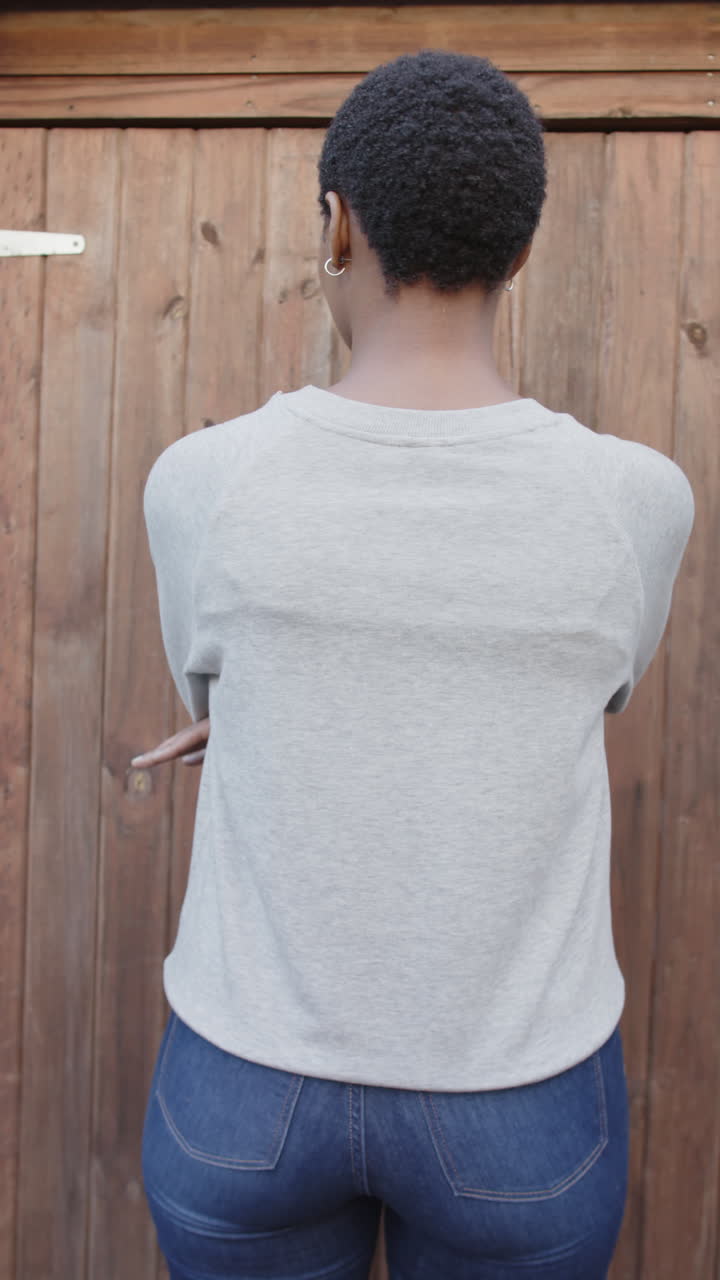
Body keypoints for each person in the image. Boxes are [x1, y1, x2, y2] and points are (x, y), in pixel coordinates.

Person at [134, 49, 695, 1280]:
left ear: (337, 224)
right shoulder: (637, 500)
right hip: (520, 1097)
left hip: (247, 1086)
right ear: (521, 250)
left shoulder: (203, 482)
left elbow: (208, 686)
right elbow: (593, 688)